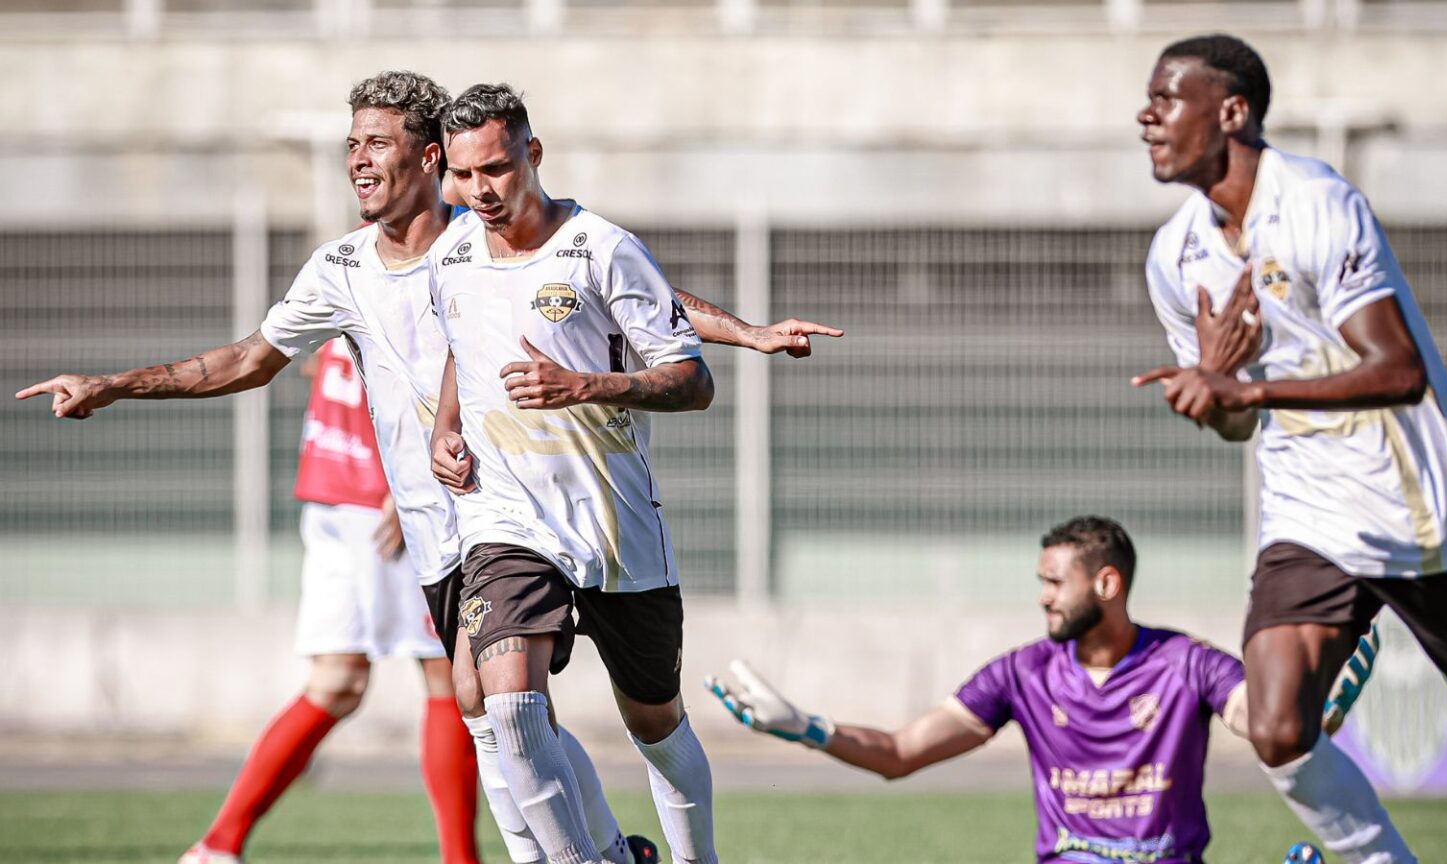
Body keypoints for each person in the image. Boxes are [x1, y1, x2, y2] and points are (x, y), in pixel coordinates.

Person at [15, 71, 839, 864]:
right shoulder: (343, 270)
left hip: (564, 510)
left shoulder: (490, 233)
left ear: (428, 157)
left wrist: (751, 333)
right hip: (448, 526)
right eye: (352, 144)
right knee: (496, 716)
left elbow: (642, 294)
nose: (359, 160)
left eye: (377, 142)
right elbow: (248, 359)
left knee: (567, 712)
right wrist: (114, 385)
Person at [1131, 32, 1447, 863]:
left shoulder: (1317, 200)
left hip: (1420, 514)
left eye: (1167, 98)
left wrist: (1247, 387)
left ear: (1232, 111)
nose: (1146, 116)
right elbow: (1238, 420)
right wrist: (1215, 394)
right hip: (1310, 514)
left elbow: (1399, 370)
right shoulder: (1175, 255)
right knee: (1279, 729)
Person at [426, 83, 721, 864]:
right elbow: (465, 345)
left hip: (616, 528)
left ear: (534, 154)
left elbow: (693, 382)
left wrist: (586, 385)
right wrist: (444, 428)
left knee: (656, 726)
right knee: (508, 702)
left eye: (495, 169)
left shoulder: (604, 248)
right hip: (506, 524)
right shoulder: (450, 256)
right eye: (463, 175)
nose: (480, 191)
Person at [706, 516, 1369, 864]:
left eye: (1056, 583)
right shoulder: (1020, 673)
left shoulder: (1185, 663)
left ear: (1107, 584)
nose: (1043, 598)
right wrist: (805, 727)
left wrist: (1316, 714)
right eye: (1042, 582)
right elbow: (904, 751)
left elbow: (1264, 721)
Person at [181, 338, 478, 864]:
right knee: (448, 678)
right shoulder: (422, 271)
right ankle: (462, 858)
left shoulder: (339, 270)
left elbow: (318, 361)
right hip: (383, 502)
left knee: (338, 682)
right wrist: (406, 482)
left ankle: (217, 846)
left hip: (332, 491)